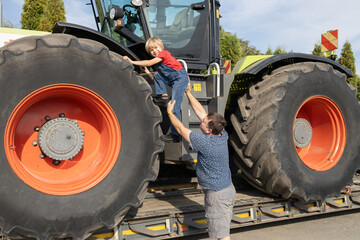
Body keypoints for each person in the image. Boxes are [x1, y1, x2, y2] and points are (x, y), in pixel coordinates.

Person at [167, 84, 235, 240]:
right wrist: (189, 93)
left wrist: (170, 112)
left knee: (222, 236)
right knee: (222, 232)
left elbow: (180, 128)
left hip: (217, 195)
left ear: (209, 129)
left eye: (204, 122)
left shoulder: (205, 142)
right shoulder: (221, 134)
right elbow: (202, 113)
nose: (201, 121)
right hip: (225, 190)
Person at [123, 37, 189, 142]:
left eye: (156, 48)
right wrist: (146, 71)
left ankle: (176, 135)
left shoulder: (164, 53)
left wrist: (132, 62)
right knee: (157, 74)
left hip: (180, 79)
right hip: (173, 80)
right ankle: (163, 96)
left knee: (174, 107)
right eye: (151, 50)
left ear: (161, 47)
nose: (154, 51)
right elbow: (155, 78)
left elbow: (149, 63)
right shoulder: (159, 65)